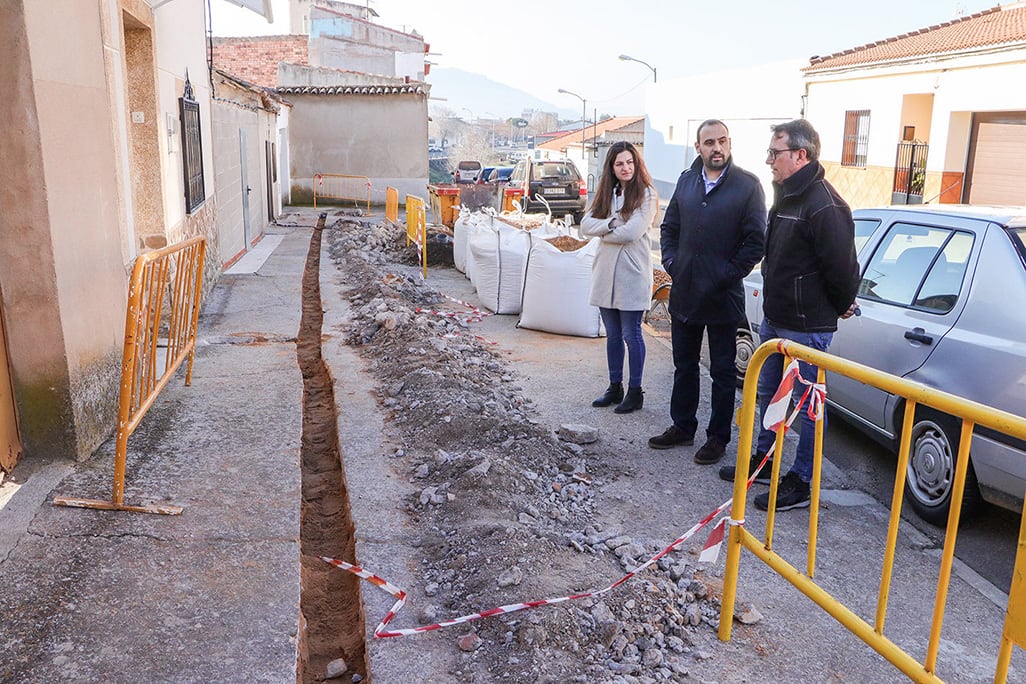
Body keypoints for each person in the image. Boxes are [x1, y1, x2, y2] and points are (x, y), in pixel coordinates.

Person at [719, 119, 860, 512]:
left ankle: (801, 481)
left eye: (774, 153)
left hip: (808, 328)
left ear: (801, 155)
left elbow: (844, 271)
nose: (768, 161)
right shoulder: (786, 196)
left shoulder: (825, 205)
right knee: (767, 393)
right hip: (775, 320)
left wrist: (836, 305)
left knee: (808, 407)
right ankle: (764, 461)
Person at [648, 120, 766, 465]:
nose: (718, 148)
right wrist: (673, 262)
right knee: (683, 365)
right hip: (685, 292)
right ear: (698, 147)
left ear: (730, 144)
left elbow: (755, 241)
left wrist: (726, 274)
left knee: (723, 371)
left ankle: (717, 438)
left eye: (723, 141)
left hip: (722, 297)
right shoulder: (686, 182)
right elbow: (670, 229)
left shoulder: (747, 186)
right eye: (710, 142)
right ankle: (682, 426)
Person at [580, 141, 659, 414]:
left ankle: (635, 391)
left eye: (629, 162)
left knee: (631, 333)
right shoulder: (606, 194)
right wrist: (612, 223)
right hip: (605, 273)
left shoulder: (646, 195)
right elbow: (585, 225)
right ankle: (615, 386)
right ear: (611, 168)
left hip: (631, 274)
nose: (625, 168)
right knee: (612, 334)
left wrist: (603, 230)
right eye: (619, 163)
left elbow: (632, 233)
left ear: (636, 165)